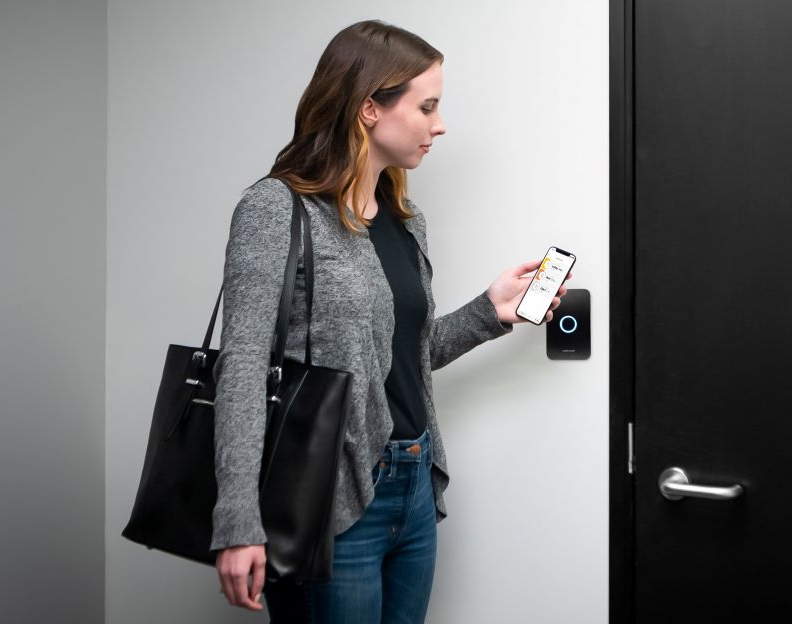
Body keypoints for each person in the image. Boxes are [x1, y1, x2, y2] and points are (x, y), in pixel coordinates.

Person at [211, 19, 570, 623]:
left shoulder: (405, 220)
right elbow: (243, 366)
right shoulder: (277, 208)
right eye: (427, 106)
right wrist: (238, 520)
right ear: (369, 108)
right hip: (331, 496)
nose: (440, 124)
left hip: (413, 484)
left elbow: (398, 356)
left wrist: (491, 312)